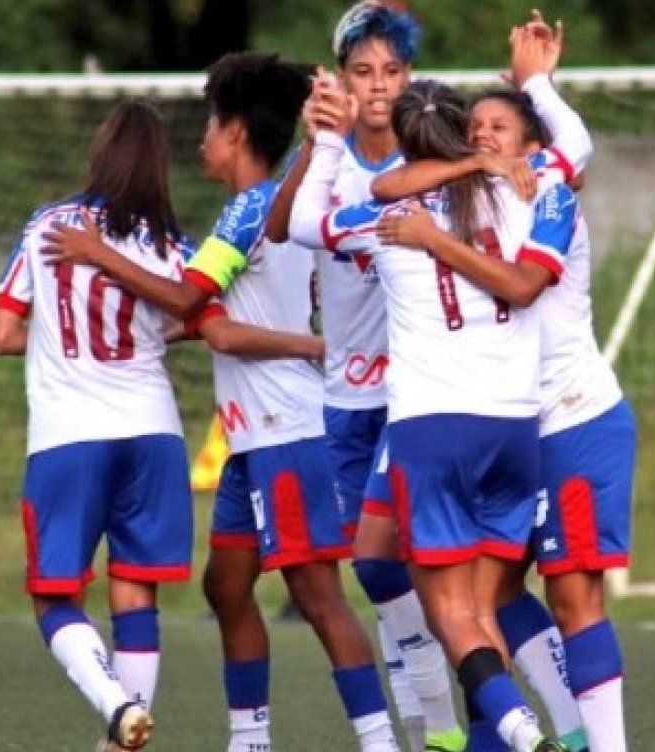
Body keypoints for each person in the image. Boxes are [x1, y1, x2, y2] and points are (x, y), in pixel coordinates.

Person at [44, 52, 399, 752]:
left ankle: (380, 741)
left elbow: (190, 302)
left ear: (235, 132)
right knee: (227, 587)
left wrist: (97, 253)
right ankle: (250, 739)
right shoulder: (270, 206)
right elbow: (207, 319)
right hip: (251, 439)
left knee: (317, 596)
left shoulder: (250, 209)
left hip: (288, 429)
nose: (204, 139)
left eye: (212, 124)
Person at [369, 25, 633, 751]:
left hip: (572, 416)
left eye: (500, 127)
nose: (484, 134)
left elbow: (524, 276)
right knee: (488, 600)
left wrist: (537, 82)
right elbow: (384, 185)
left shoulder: (545, 191)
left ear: (531, 145)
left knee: (573, 599)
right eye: (474, 125)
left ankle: (596, 743)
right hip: (514, 422)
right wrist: (466, 168)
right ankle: (544, 736)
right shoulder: (467, 193)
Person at [308, 78, 575, 752]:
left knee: (449, 612)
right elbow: (573, 149)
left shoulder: (387, 218)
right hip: (514, 425)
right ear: (464, 134)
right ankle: (498, 742)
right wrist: (532, 94)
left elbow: (308, 222)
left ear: (402, 139)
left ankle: (522, 732)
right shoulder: (531, 189)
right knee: (483, 609)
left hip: (432, 426)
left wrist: (326, 143)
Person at [266, 3, 465, 749]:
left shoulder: (430, 158)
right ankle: (425, 730)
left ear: (410, 77)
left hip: (419, 394)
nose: (378, 85)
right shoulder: (330, 161)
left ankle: (452, 725)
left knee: (406, 567)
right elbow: (281, 227)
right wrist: (314, 141)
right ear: (342, 81)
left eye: (391, 70)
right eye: (362, 71)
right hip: (346, 396)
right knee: (381, 581)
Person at [0, 99, 196, 752]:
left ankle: (114, 706)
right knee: (136, 595)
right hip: (153, 430)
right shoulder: (171, 243)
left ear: (99, 153)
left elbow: (1, 334)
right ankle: (124, 738)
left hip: (69, 434)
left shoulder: (48, 225)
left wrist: (56, 339)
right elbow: (194, 315)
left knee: (55, 598)